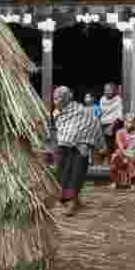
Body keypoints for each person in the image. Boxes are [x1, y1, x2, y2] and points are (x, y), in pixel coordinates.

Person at [54, 85, 105, 216]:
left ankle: (72, 203)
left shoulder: (82, 110)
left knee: (76, 174)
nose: (56, 101)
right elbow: (62, 130)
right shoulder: (57, 113)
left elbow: (94, 124)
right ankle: (71, 199)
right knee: (62, 173)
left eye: (59, 98)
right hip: (64, 148)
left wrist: (100, 147)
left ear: (66, 99)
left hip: (80, 148)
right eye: (54, 98)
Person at [109, 114, 135, 189]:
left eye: (131, 122)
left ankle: (133, 182)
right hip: (122, 152)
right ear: (124, 122)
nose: (129, 124)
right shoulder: (119, 132)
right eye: (128, 122)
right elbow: (120, 146)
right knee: (115, 157)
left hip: (132, 153)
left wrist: (133, 153)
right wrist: (126, 154)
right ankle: (115, 181)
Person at [98, 83, 124, 157]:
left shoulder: (118, 99)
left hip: (115, 124)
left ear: (114, 90)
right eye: (105, 90)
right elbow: (100, 113)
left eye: (109, 90)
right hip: (103, 124)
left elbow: (119, 116)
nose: (107, 92)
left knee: (112, 143)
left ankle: (112, 160)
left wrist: (111, 127)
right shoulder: (102, 99)